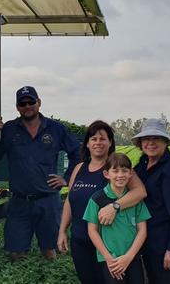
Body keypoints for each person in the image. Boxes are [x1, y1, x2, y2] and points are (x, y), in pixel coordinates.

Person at [0, 86, 81, 261]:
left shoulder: (55, 129)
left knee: (49, 251)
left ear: (38, 103)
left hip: (47, 201)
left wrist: (67, 178)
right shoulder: (9, 129)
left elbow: (77, 153)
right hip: (19, 202)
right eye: (22, 103)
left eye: (31, 102)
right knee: (16, 254)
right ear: (17, 107)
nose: (27, 106)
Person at [58, 121, 147, 284]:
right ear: (87, 143)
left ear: (110, 142)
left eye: (102, 138)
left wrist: (115, 206)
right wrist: (62, 230)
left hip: (107, 243)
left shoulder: (116, 169)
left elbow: (140, 192)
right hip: (80, 240)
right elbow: (70, 202)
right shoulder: (79, 168)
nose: (98, 142)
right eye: (93, 139)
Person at [132, 119, 170, 284]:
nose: (150, 143)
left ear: (165, 141)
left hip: (163, 245)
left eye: (156, 138)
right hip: (145, 241)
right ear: (140, 143)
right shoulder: (142, 166)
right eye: (146, 139)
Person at [84, 153, 151, 284]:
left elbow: (142, 230)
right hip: (111, 261)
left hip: (133, 257)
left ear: (131, 173)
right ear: (106, 174)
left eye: (125, 171)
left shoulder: (135, 200)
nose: (120, 175)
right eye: (115, 171)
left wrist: (129, 256)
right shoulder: (97, 199)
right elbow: (92, 231)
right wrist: (108, 258)